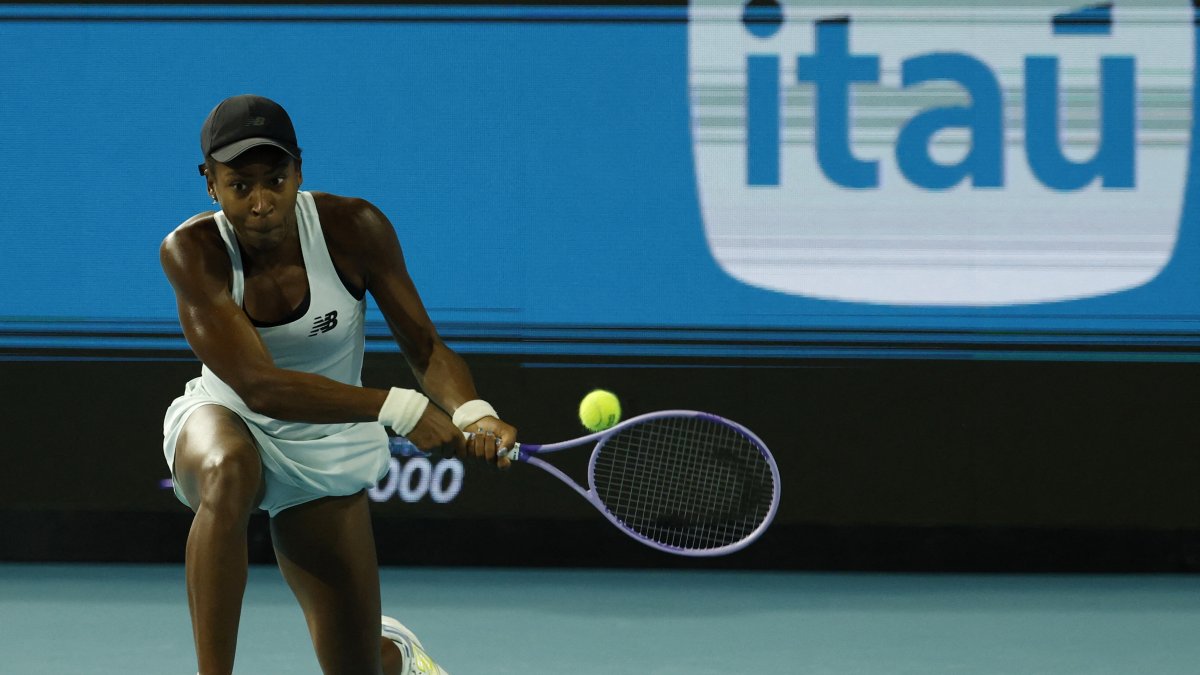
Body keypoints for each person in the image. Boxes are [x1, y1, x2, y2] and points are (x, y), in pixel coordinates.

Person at [159, 94, 517, 675]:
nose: (260, 202)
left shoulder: (354, 228)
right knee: (229, 471)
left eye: (275, 180)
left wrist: (472, 410)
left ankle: (392, 652)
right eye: (239, 185)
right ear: (210, 185)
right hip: (228, 419)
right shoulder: (192, 253)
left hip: (325, 447)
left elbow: (423, 345)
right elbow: (259, 387)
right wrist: (398, 408)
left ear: (299, 170)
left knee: (355, 665)